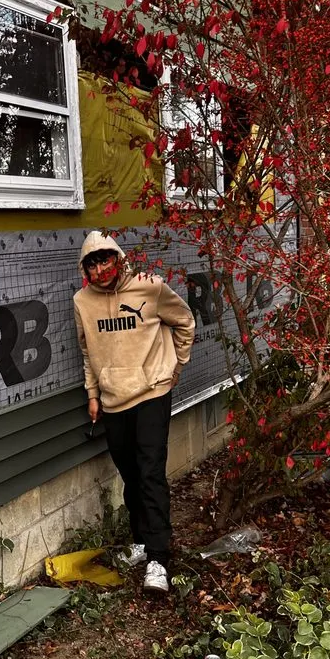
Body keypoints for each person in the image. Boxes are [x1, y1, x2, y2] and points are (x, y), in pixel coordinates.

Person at [73, 231, 196, 593]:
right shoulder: (82, 301)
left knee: (150, 473)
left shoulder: (150, 287)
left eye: (105, 259)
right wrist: (93, 394)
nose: (100, 269)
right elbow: (87, 352)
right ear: (86, 269)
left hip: (151, 393)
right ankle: (142, 540)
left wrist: (175, 368)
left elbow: (185, 322)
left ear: (119, 258)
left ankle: (158, 558)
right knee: (130, 473)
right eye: (92, 264)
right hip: (112, 400)